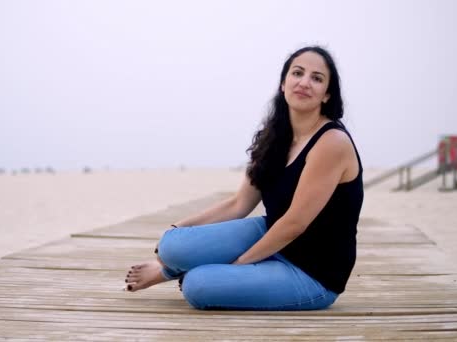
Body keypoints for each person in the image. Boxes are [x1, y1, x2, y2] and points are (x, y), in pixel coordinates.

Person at [125, 46, 363, 311]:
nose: (305, 82)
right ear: (283, 84)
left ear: (327, 94)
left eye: (317, 78)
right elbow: (239, 204)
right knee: (171, 245)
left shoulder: (332, 142)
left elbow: (295, 223)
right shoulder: (273, 137)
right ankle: (172, 267)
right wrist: (177, 229)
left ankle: (171, 273)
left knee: (197, 286)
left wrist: (241, 267)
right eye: (298, 73)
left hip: (312, 272)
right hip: (270, 233)